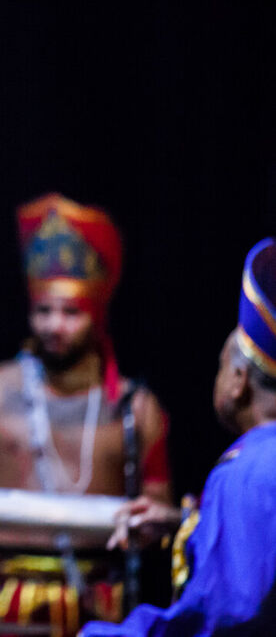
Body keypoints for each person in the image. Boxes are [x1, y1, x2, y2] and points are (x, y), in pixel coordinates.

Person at [0, 193, 171, 633]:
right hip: (0, 596)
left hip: (95, 603)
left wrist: (148, 520)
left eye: (70, 312)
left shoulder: (135, 406)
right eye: (43, 311)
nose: (53, 326)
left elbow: (158, 507)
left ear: (97, 315)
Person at [82, 238, 276, 636]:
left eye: (222, 363)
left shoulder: (249, 470)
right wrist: (187, 523)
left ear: (238, 381)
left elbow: (223, 619)